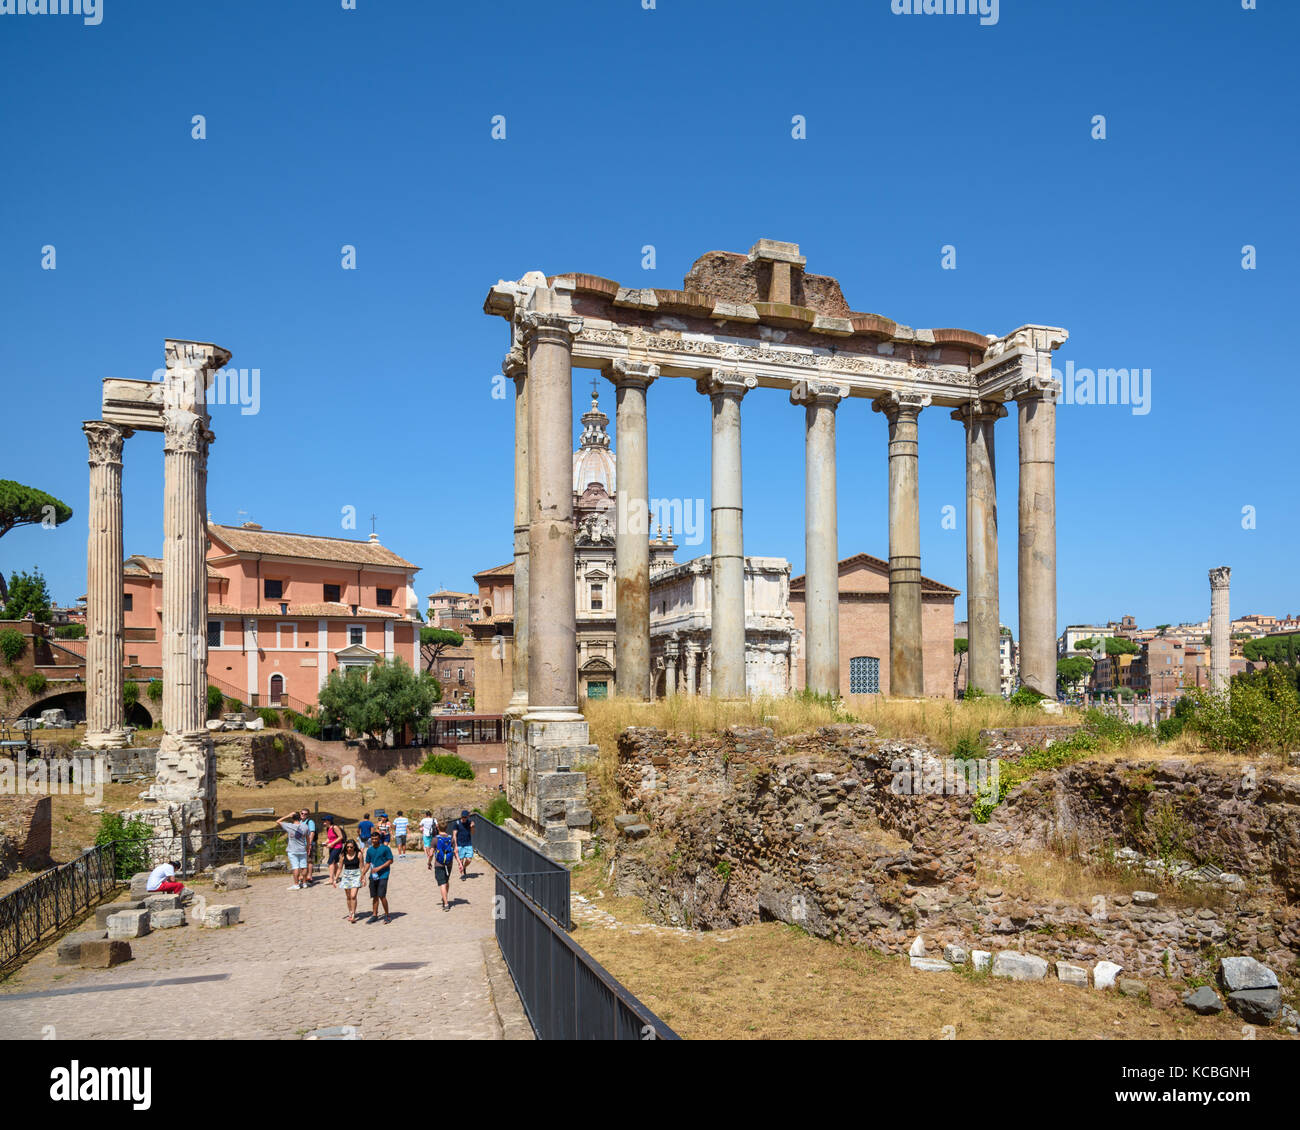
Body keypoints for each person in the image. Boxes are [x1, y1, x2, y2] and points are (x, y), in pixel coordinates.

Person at [361, 832, 394, 923]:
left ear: (379, 839)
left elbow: (390, 860)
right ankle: (374, 914)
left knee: (382, 895)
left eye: (376, 839)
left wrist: (380, 867)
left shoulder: (385, 848)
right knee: (374, 896)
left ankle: (387, 915)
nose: (374, 840)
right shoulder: (370, 850)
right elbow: (368, 863)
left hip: (383, 874)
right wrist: (363, 873)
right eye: (373, 839)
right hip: (373, 876)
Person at [278, 811, 312, 890]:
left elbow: (278, 821)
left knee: (295, 867)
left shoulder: (289, 826)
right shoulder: (305, 826)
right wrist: (308, 848)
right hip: (302, 849)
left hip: (292, 850)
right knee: (304, 866)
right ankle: (304, 883)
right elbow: (308, 838)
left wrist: (287, 815)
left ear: (292, 818)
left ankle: (296, 884)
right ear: (300, 817)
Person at [339, 838, 363, 922]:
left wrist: (363, 878)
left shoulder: (359, 854)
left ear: (354, 847)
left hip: (356, 875)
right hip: (346, 876)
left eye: (351, 847)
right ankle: (350, 912)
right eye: (348, 847)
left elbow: (362, 867)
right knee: (348, 897)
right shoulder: (342, 855)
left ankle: (353, 914)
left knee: (353, 896)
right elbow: (340, 868)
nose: (349, 849)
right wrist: (335, 878)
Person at [432, 827, 454, 911]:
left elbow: (430, 853)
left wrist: (429, 862)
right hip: (449, 863)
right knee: (446, 881)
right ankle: (445, 898)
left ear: (438, 828)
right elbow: (455, 851)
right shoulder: (451, 838)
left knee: (442, 883)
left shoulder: (435, 839)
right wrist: (459, 862)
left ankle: (446, 903)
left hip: (439, 863)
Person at [452, 809, 475, 881]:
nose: (464, 818)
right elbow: (454, 835)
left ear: (467, 817)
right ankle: (462, 873)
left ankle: (464, 867)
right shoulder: (457, 823)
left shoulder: (470, 823)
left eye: (465, 817)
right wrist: (455, 845)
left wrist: (472, 827)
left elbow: (473, 833)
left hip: (468, 843)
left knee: (469, 859)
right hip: (459, 844)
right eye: (463, 817)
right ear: (461, 817)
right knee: (461, 860)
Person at [324, 818, 345, 887]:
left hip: (337, 847)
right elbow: (329, 838)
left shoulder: (335, 827)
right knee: (335, 862)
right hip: (332, 847)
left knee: (330, 862)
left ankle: (331, 879)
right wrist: (325, 842)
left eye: (325, 820)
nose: (323, 822)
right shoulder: (328, 828)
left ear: (329, 821)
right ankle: (337, 876)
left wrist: (332, 843)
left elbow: (340, 837)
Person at [300, 809, 318, 884]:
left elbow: (312, 832)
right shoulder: (300, 822)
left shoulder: (310, 822)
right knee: (302, 860)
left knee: (309, 860)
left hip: (308, 843)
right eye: (302, 813)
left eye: (305, 814)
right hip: (301, 843)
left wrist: (309, 844)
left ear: (308, 815)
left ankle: (309, 876)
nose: (303, 815)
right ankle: (303, 875)